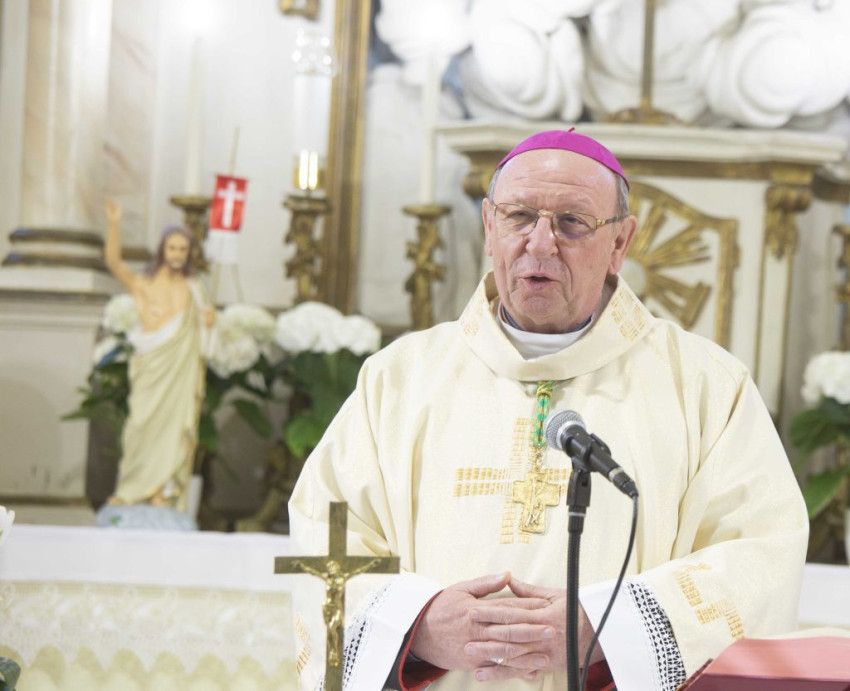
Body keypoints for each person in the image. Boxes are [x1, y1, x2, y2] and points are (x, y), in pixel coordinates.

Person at [288, 130, 809, 690]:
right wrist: (418, 625)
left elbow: (761, 555)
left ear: (619, 243)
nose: (540, 244)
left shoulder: (706, 386)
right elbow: (327, 534)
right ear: (489, 227)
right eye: (518, 217)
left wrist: (610, 630)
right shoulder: (398, 379)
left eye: (572, 223)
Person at [103, 200, 214, 511]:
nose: (177, 254)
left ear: (189, 253)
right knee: (139, 426)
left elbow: (202, 326)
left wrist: (208, 322)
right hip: (151, 365)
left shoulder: (194, 288)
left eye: (183, 249)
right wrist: (114, 224)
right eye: (172, 248)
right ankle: (131, 487)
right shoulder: (145, 283)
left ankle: (162, 490)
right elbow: (114, 263)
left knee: (174, 430)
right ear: (162, 250)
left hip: (180, 371)